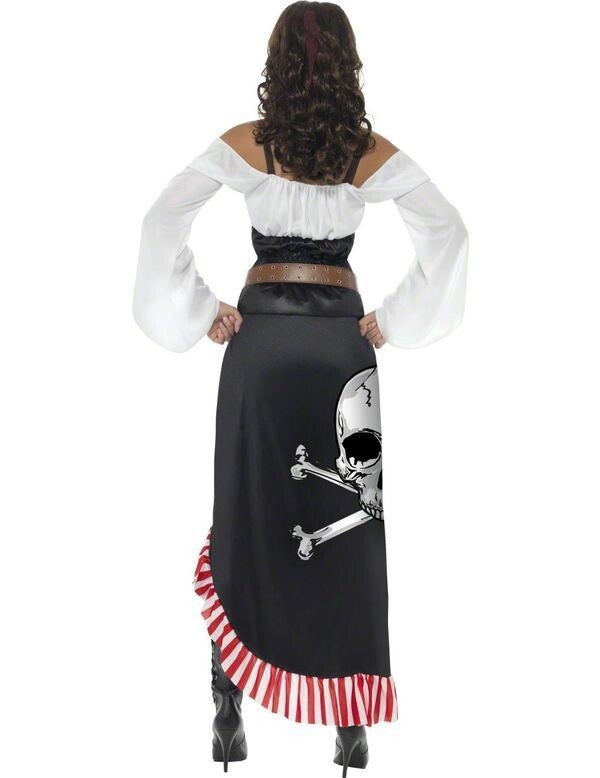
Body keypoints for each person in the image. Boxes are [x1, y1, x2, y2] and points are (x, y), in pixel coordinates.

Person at [133, 2, 468, 775]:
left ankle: (227, 712)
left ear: (275, 64)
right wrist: (396, 319)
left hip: (261, 349)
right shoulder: (365, 152)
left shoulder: (248, 144)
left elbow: (160, 222)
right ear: (348, 65)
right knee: (348, 521)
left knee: (246, 516)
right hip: (337, 352)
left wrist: (202, 309)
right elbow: (449, 229)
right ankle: (350, 727)